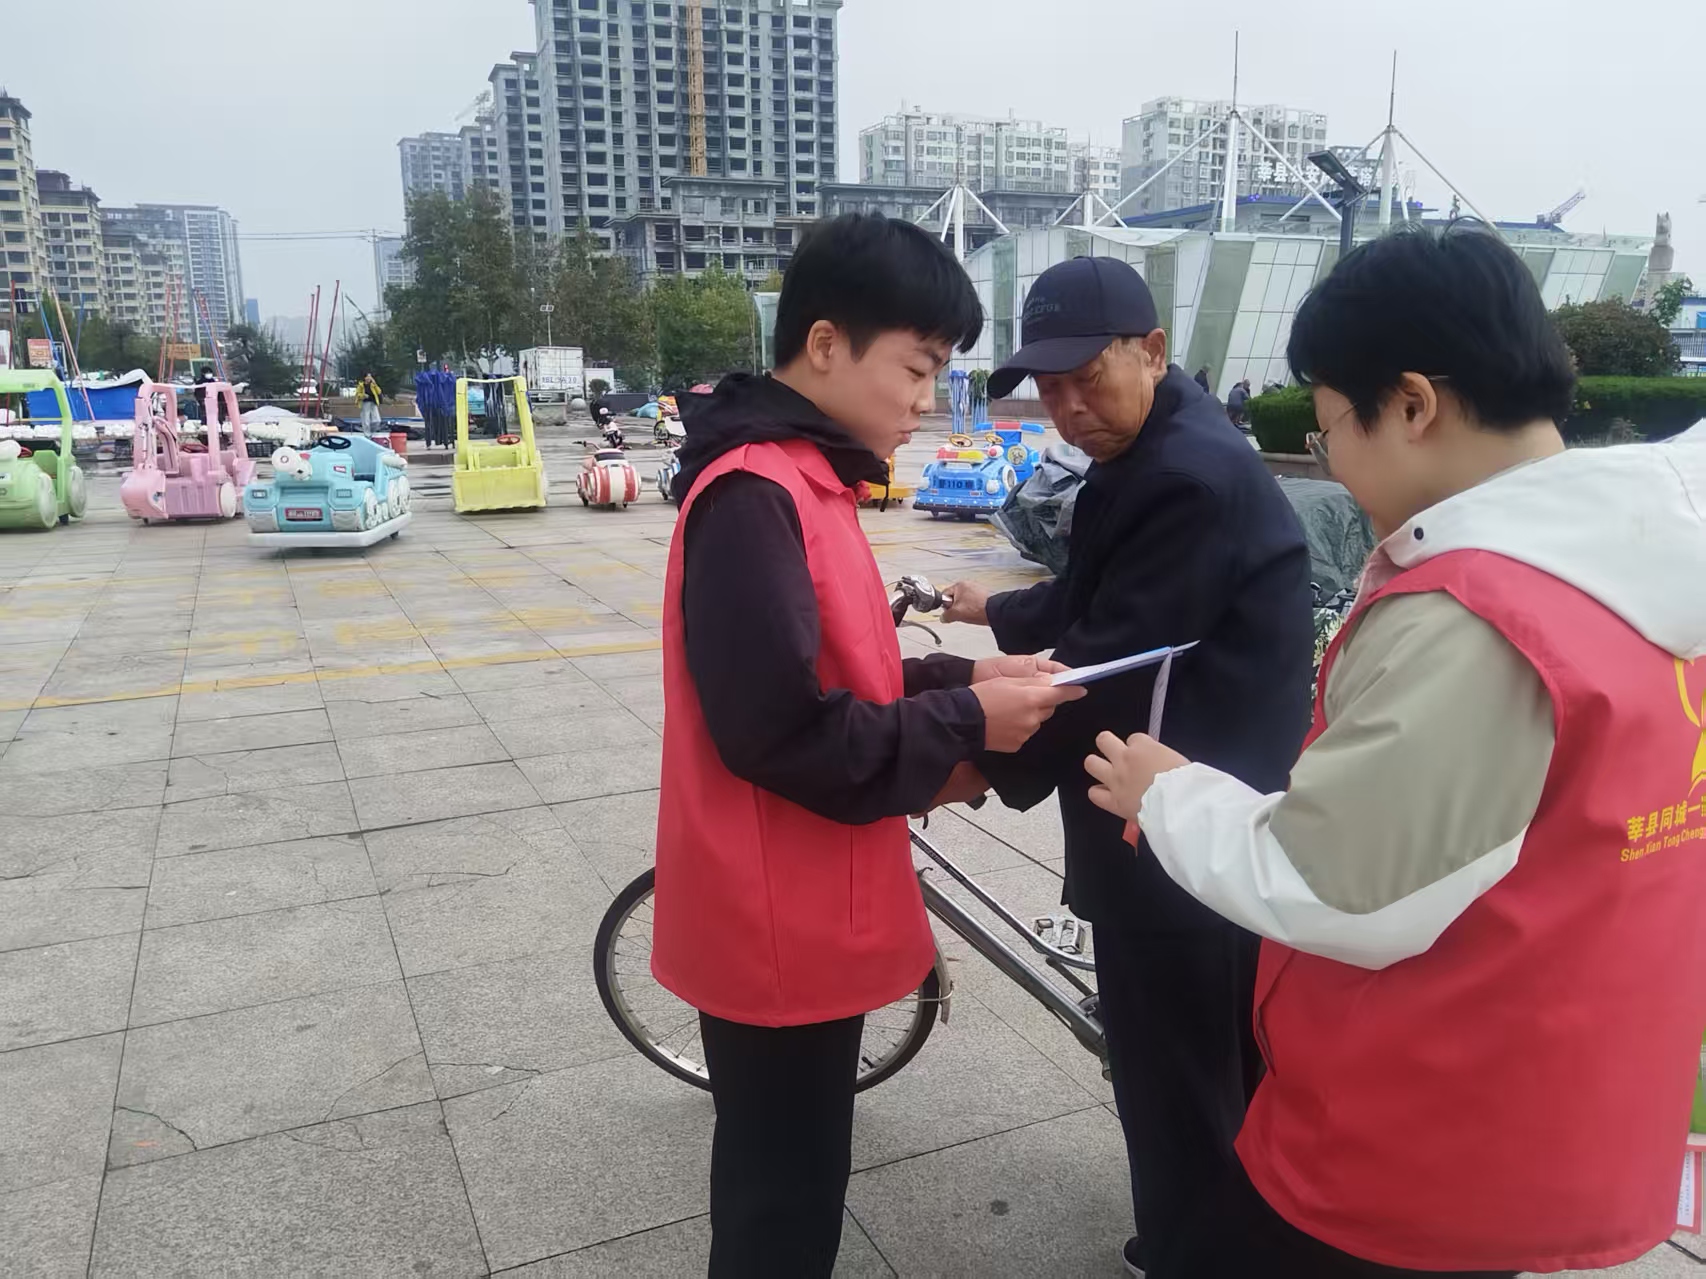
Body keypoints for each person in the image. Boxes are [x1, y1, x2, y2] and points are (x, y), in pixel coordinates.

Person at [1082, 223, 1706, 1278]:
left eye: (1329, 425)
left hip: (1413, 1135)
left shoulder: (1479, 612)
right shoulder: (1647, 567)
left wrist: (1170, 793)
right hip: (1560, 1101)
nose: (1330, 458)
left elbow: (1338, 885)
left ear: (1412, 404)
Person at [650, 211, 1086, 1278]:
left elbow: (852, 677)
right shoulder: (754, 493)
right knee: (781, 1206)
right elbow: (779, 730)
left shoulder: (807, 478)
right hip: (772, 918)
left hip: (802, 903)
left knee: (798, 1181)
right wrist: (969, 722)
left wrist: (973, 679)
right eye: (918, 366)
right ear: (825, 344)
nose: (925, 400)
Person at [939, 256, 1314, 1277]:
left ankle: (1192, 1253)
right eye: (1047, 387)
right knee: (1215, 1050)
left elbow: (1107, 663)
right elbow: (1092, 596)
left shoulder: (1183, 476)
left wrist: (967, 762)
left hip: (1172, 824)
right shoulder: (1156, 442)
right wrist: (996, 611)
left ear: (1152, 350)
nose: (1066, 409)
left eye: (1085, 379)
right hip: (1207, 800)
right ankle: (1238, 1229)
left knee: (1172, 1066)